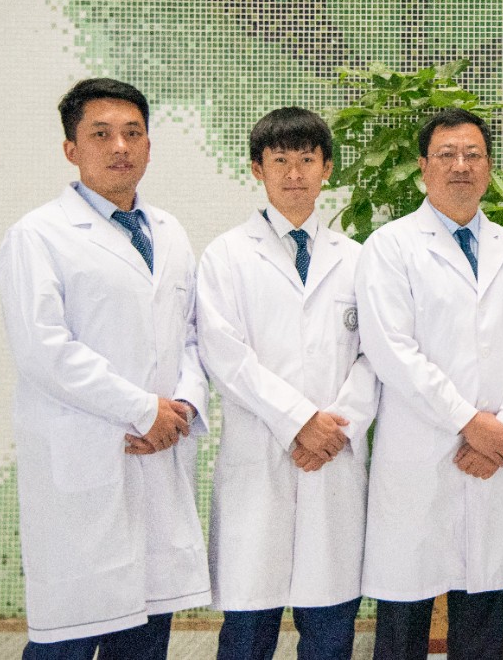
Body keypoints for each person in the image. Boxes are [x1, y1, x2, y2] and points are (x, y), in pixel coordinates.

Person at [0, 78, 211, 659]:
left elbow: (192, 335)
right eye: (101, 134)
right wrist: (143, 410)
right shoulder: (37, 235)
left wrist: (183, 407)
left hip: (159, 454)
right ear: (72, 148)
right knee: (68, 639)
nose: (120, 146)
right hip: (88, 457)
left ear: (148, 146)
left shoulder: (169, 233)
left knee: (145, 637)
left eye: (132, 133)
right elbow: (44, 349)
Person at [354, 108, 503, 660]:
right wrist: (470, 423)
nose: (460, 166)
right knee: (401, 632)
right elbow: (393, 351)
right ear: (423, 167)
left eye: (473, 155)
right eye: (446, 155)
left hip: (496, 459)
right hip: (421, 458)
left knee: (484, 633)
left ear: (489, 166)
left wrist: (502, 428)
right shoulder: (389, 247)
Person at [196, 107, 379, 660]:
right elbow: (225, 355)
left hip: (333, 459)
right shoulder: (226, 255)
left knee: (330, 629)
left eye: (307, 160)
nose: (294, 174)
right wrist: (300, 421)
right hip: (261, 458)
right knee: (248, 631)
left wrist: (336, 427)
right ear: (258, 169)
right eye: (280, 161)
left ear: (327, 168)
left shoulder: (358, 259)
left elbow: (376, 357)